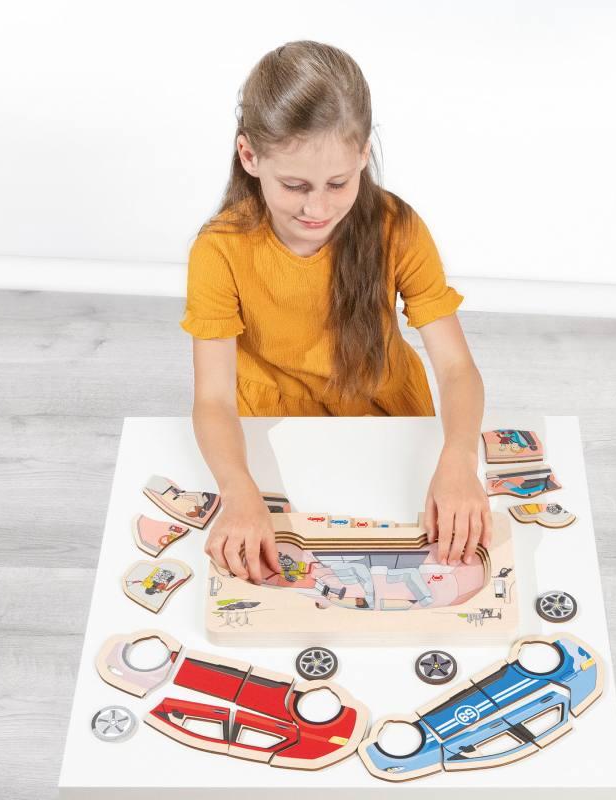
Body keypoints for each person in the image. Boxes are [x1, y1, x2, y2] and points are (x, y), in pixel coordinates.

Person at [180, 40, 492, 584]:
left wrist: (460, 456)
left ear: (364, 154)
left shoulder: (398, 227)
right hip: (270, 428)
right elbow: (212, 398)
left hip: (387, 417)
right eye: (294, 185)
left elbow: (456, 367)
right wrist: (238, 489)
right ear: (250, 157)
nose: (317, 208)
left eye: (338, 183)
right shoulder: (219, 249)